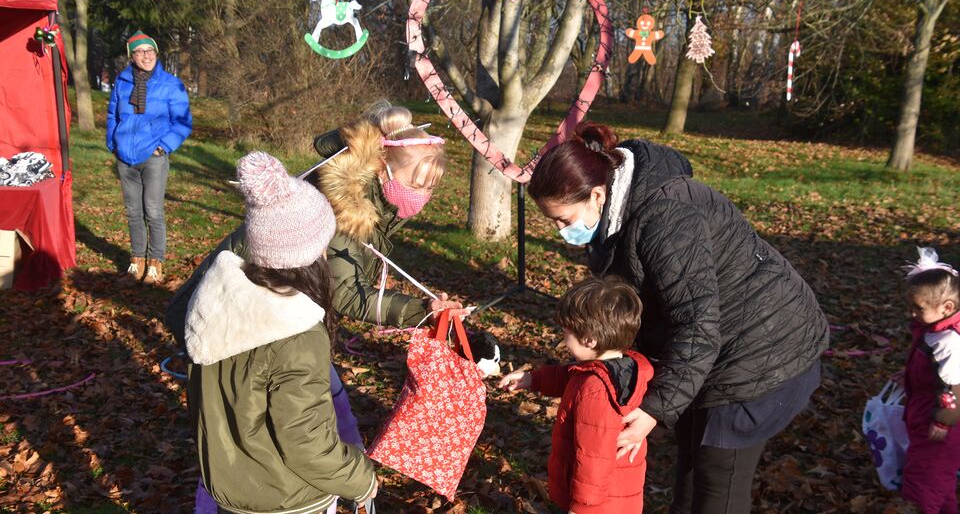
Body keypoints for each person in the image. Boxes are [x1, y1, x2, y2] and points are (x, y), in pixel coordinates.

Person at [166, 102, 461, 513]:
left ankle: (227, 489)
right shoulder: (328, 218)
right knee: (259, 416)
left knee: (239, 420)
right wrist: (359, 481)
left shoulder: (342, 209)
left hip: (226, 318)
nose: (423, 195)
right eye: (419, 183)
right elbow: (305, 437)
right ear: (384, 168)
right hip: (284, 488)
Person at [526, 121, 828, 513]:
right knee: (689, 469)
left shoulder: (665, 218)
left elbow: (697, 324)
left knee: (718, 481)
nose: (560, 231)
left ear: (598, 194)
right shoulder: (614, 218)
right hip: (711, 353)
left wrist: (655, 409)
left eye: (564, 220)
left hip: (762, 353)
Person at [184, 151, 378, 514]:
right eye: (324, 243)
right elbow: (306, 443)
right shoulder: (297, 334)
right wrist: (361, 479)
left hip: (231, 494)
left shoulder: (216, 304)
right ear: (308, 253)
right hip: (288, 499)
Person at [499, 276, 653, 514]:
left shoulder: (595, 390)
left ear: (590, 339)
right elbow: (569, 376)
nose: (563, 336)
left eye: (566, 331)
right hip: (617, 495)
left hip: (597, 504)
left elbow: (593, 458)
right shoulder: (620, 368)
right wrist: (533, 379)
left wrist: (582, 507)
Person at [106, 31, 192, 284]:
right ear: (132, 56)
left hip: (153, 157)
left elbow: (182, 122)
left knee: (153, 211)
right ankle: (136, 261)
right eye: (140, 52)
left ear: (156, 53)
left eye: (150, 51)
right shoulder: (122, 82)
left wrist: (163, 146)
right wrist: (113, 143)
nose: (146, 56)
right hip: (125, 158)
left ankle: (155, 263)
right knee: (133, 212)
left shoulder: (170, 84)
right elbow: (113, 115)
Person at [900, 247, 960, 514]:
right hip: (926, 414)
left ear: (946, 307)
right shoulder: (933, 331)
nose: (912, 313)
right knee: (940, 486)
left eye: (918, 308)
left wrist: (943, 420)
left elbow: (956, 388)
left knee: (924, 485)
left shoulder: (949, 342)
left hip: (940, 427)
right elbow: (933, 371)